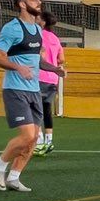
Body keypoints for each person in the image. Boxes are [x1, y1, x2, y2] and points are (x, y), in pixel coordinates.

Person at [0, 0, 45, 193]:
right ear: (22, 4)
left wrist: (55, 68)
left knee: (34, 138)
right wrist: (18, 67)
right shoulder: (12, 28)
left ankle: (14, 177)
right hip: (15, 89)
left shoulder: (38, 30)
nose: (39, 2)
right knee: (28, 135)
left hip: (34, 90)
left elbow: (36, 59)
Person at [34, 18, 65, 157]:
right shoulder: (56, 38)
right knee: (47, 110)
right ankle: (49, 141)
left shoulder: (39, 34)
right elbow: (61, 59)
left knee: (35, 109)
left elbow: (40, 55)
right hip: (53, 78)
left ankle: (39, 141)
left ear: (43, 22)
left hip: (40, 75)